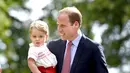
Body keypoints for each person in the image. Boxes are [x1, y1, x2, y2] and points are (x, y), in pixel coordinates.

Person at [47, 6, 109, 73]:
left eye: (63, 26)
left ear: (76, 24)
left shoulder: (93, 49)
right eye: (58, 25)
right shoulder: (52, 47)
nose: (59, 29)